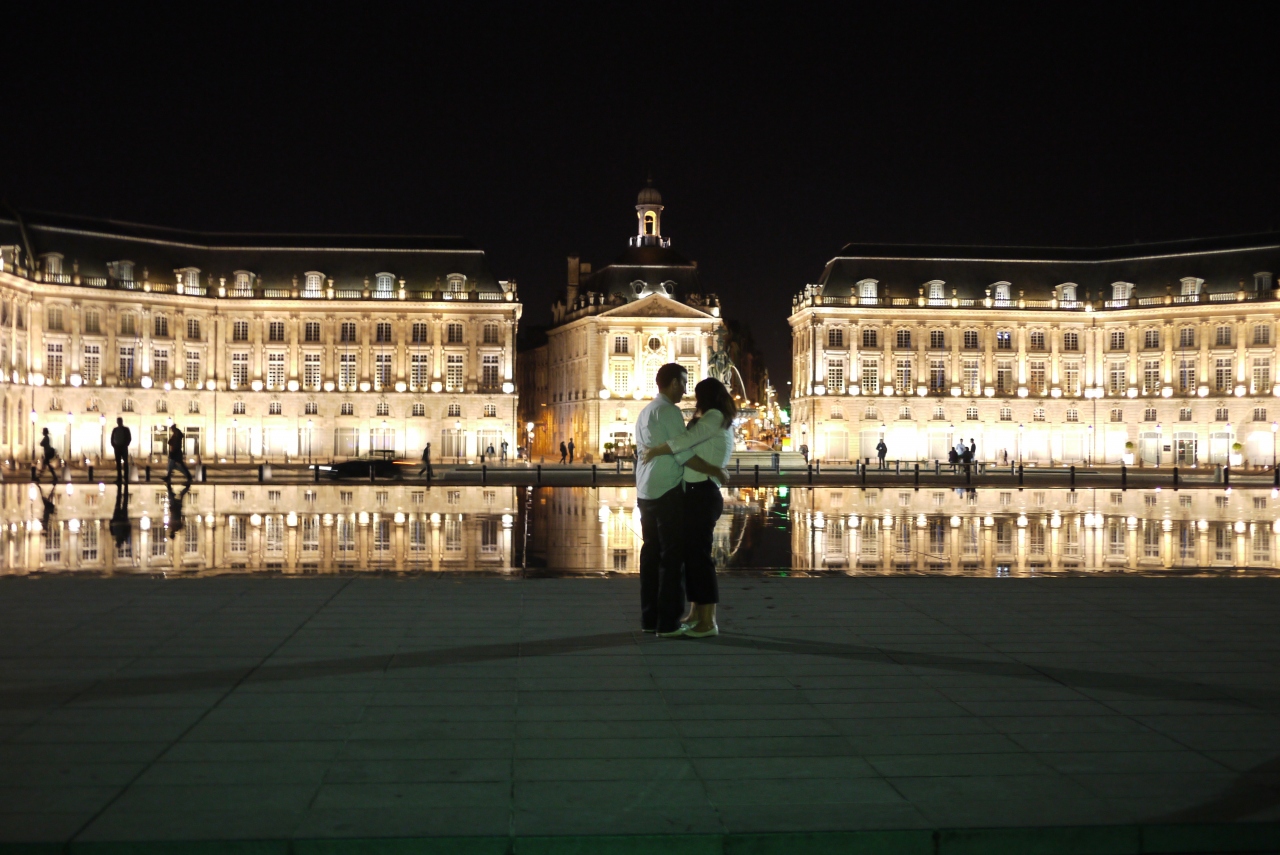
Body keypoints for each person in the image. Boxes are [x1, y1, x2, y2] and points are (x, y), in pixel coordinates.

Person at [643, 378, 735, 638]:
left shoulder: (714, 416)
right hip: (698, 493)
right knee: (694, 558)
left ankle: (709, 622)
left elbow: (685, 441)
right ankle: (696, 614)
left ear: (705, 397)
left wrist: (655, 450)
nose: (691, 397)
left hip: (702, 494)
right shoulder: (718, 417)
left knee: (701, 559)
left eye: (696, 395)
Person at [635, 363, 696, 637]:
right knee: (672, 557)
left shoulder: (645, 411)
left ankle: (649, 619)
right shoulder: (670, 411)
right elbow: (680, 450)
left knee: (650, 554)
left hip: (645, 489)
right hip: (667, 488)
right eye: (683, 382)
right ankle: (669, 622)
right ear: (672, 384)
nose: (685, 388)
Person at [110, 417, 132, 485]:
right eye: (118, 421)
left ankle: (126, 478)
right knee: (118, 464)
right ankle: (119, 478)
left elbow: (129, 438)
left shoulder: (126, 429)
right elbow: (112, 438)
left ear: (122, 421)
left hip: (123, 447)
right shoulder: (115, 429)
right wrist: (114, 445)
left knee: (125, 463)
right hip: (117, 448)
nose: (119, 422)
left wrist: (126, 444)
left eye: (119, 421)